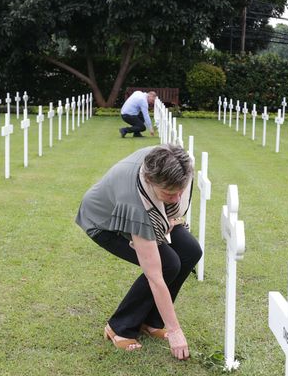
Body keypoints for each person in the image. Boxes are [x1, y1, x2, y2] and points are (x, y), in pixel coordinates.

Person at [76, 144, 201, 360]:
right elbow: (154, 276)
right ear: (151, 182)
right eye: (170, 193)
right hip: (104, 222)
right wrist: (175, 331)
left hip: (148, 207)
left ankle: (151, 322)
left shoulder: (169, 160)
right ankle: (119, 327)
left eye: (180, 191)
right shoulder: (136, 204)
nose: (177, 198)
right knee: (167, 264)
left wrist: (169, 213)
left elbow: (174, 199)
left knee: (191, 251)